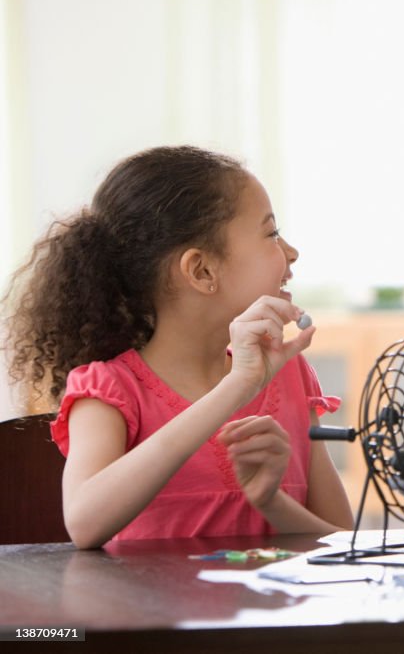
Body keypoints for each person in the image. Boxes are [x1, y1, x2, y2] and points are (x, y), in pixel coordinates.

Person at [2, 146, 354, 548]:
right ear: (201, 270)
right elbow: (84, 522)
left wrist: (270, 501)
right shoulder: (108, 390)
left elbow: (342, 543)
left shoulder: (290, 375)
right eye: (271, 233)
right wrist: (236, 388)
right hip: (151, 613)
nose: (291, 252)